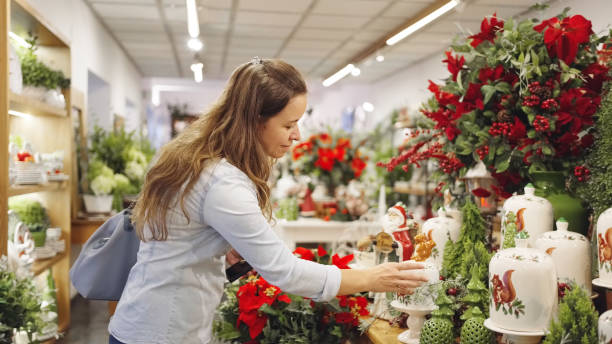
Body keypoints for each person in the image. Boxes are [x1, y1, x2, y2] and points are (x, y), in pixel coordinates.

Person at [108, 58, 427, 344]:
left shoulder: (200, 158)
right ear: (253, 120)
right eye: (288, 125)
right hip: (163, 331)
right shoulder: (223, 181)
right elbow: (286, 272)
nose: (297, 135)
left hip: (148, 321)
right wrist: (373, 278)